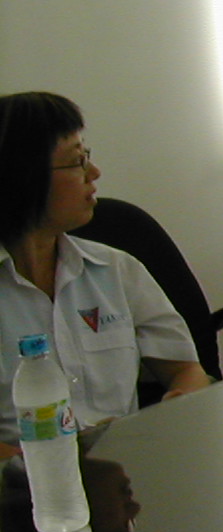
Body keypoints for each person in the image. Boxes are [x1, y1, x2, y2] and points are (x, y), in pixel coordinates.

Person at [0, 92, 208, 453]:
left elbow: (187, 369)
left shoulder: (116, 269)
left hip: (129, 467)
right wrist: (53, 463)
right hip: (24, 480)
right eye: (77, 161)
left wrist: (177, 406)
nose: (94, 173)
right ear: (25, 177)